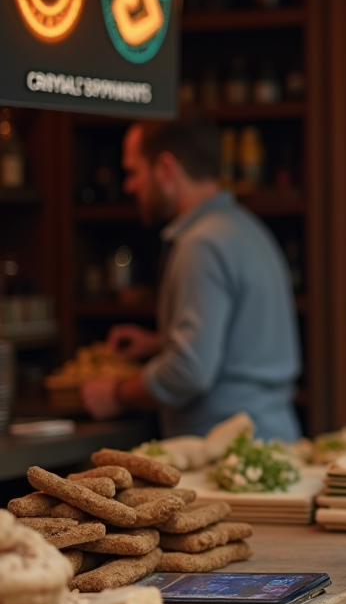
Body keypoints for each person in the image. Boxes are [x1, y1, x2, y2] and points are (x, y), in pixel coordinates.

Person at [80, 119, 302, 442]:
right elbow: (241, 344)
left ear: (166, 169)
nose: (128, 186)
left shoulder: (201, 244)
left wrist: (115, 394)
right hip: (269, 438)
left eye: (133, 172)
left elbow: (189, 372)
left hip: (226, 452)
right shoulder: (247, 228)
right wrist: (160, 343)